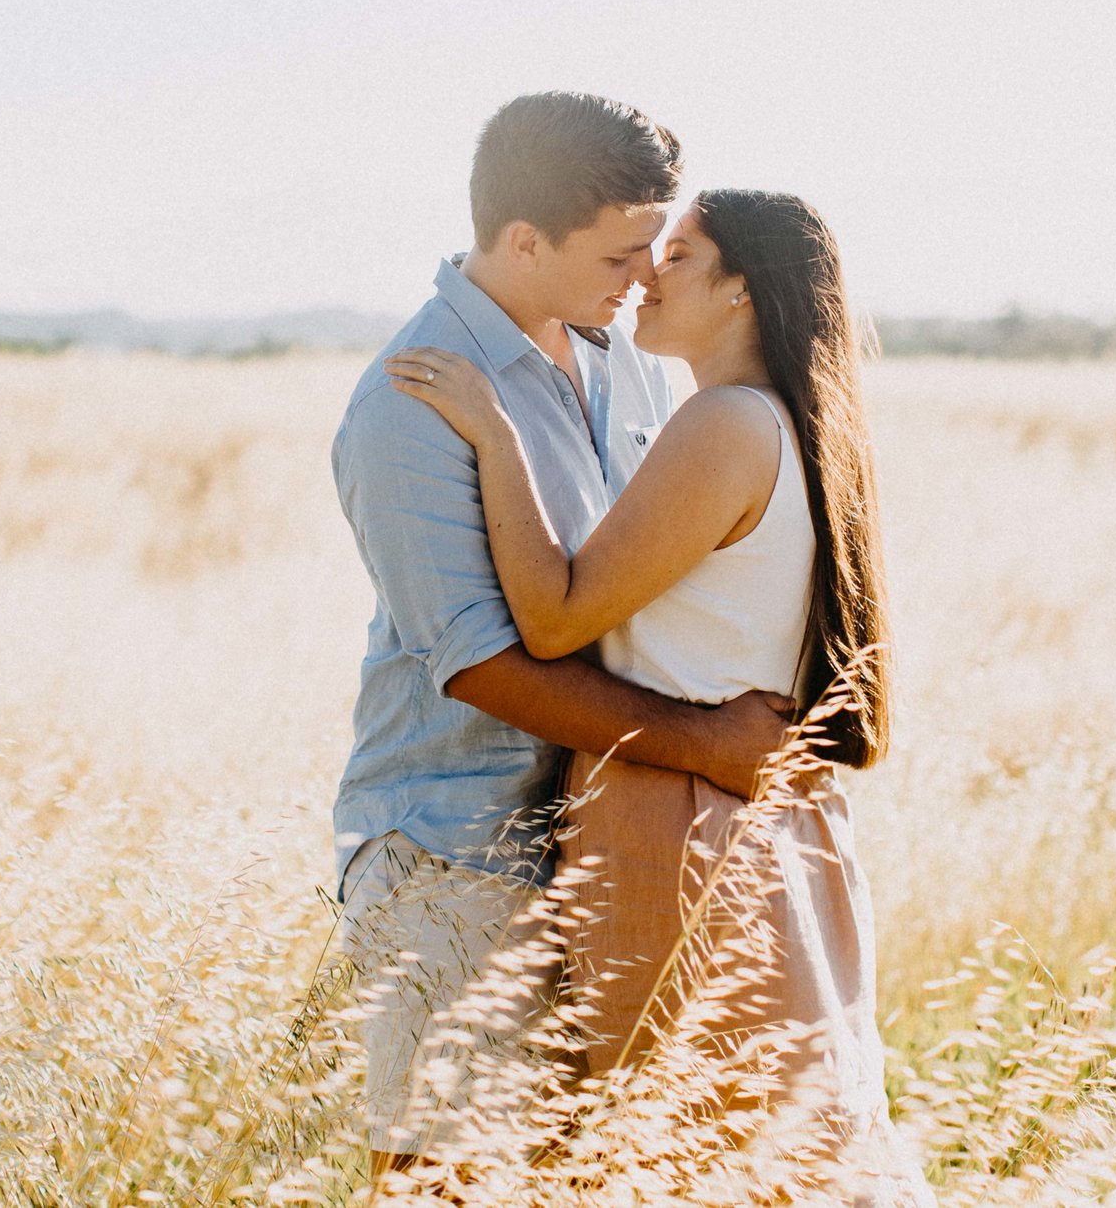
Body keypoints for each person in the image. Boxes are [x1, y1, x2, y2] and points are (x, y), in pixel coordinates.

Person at [385, 186, 935, 1203]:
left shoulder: (724, 422)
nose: (645, 272)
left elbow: (553, 619)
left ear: (738, 288)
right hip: (755, 818)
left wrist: (495, 435)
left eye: (677, 253)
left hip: (676, 818)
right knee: (774, 1135)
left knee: (690, 1148)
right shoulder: (787, 422)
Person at [330, 95, 799, 1176]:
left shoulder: (618, 354)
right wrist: (709, 744)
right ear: (524, 239)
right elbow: (481, 665)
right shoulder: (409, 400)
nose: (643, 277)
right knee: (446, 1177)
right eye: (621, 250)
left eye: (653, 249)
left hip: (610, 837)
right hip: (456, 850)